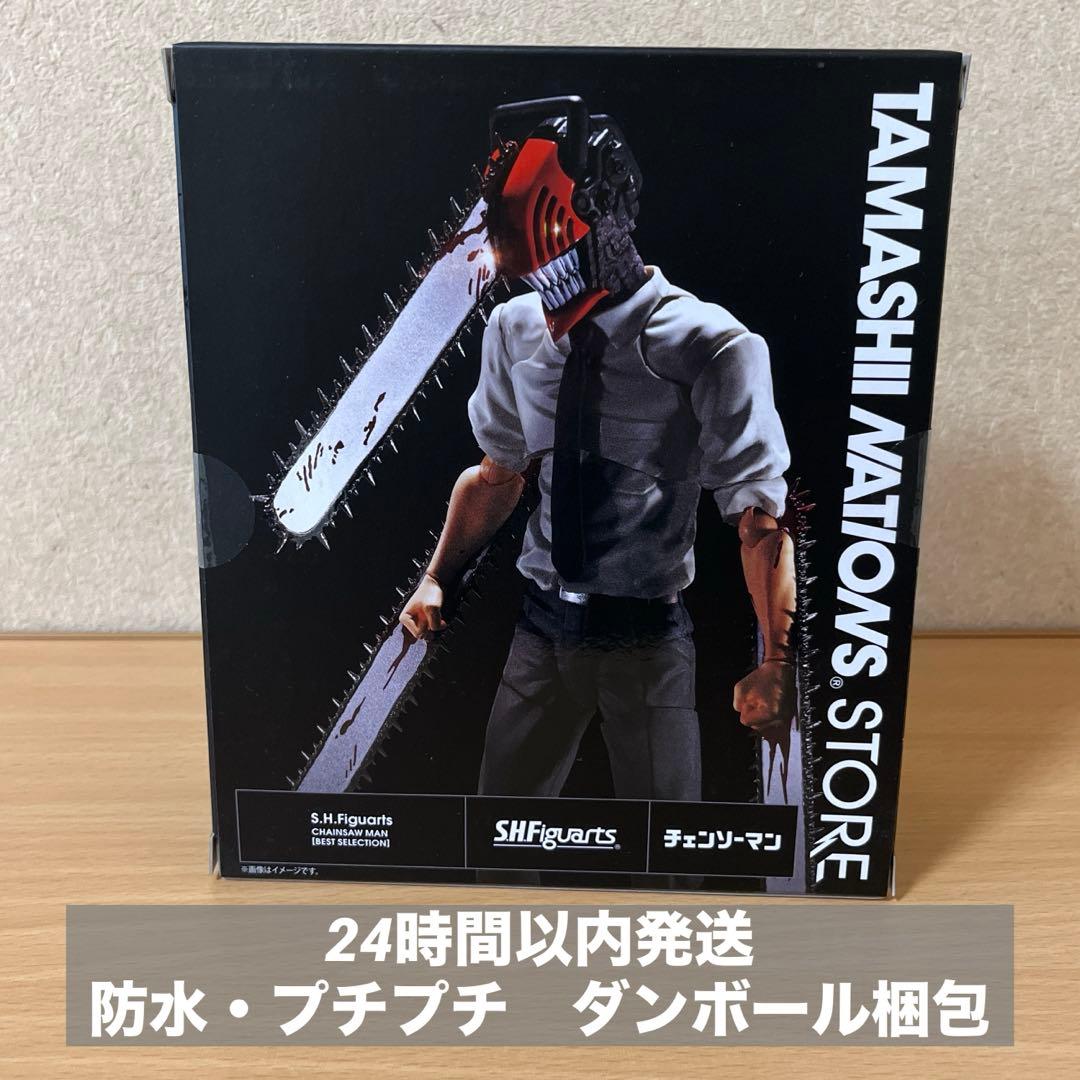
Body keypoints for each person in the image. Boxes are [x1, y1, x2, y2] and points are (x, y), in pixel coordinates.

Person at [401, 98, 795, 802]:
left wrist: (778, 659)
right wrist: (439, 577)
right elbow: (496, 477)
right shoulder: (515, 329)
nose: (540, 282)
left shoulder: (710, 345)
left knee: (665, 838)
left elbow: (759, 523)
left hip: (643, 637)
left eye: (549, 257)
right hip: (542, 626)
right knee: (499, 827)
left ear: (598, 218)